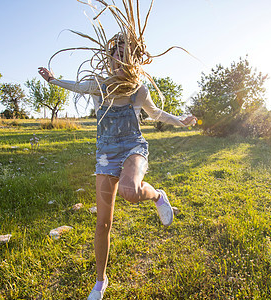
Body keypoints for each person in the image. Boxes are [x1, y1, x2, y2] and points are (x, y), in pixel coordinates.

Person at [38, 33, 196, 299]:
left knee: (130, 191)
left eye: (124, 58)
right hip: (105, 155)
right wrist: (53, 79)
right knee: (103, 224)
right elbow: (75, 85)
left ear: (133, 62)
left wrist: (180, 120)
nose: (118, 63)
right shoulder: (98, 86)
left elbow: (155, 113)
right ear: (108, 59)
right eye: (115, 57)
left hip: (134, 147)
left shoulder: (139, 90)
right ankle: (100, 281)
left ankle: (157, 195)